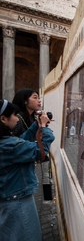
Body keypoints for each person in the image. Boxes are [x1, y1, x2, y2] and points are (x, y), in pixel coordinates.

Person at [0, 99, 55, 241]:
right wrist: (45, 128)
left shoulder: (7, 142)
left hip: (8, 198)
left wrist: (37, 126)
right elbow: (40, 152)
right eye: (13, 115)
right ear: (3, 119)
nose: (16, 118)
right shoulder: (9, 145)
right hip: (17, 201)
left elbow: (21, 142)